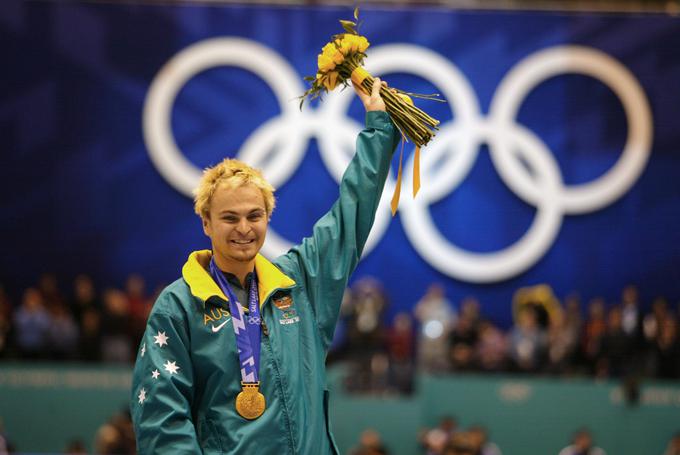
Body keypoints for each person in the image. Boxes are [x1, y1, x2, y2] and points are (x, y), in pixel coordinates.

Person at [131, 79, 400, 453]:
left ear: (268, 217)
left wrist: (378, 127)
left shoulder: (299, 284)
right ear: (206, 222)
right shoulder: (179, 307)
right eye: (229, 218)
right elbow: (162, 419)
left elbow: (351, 211)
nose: (244, 228)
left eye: (254, 215)